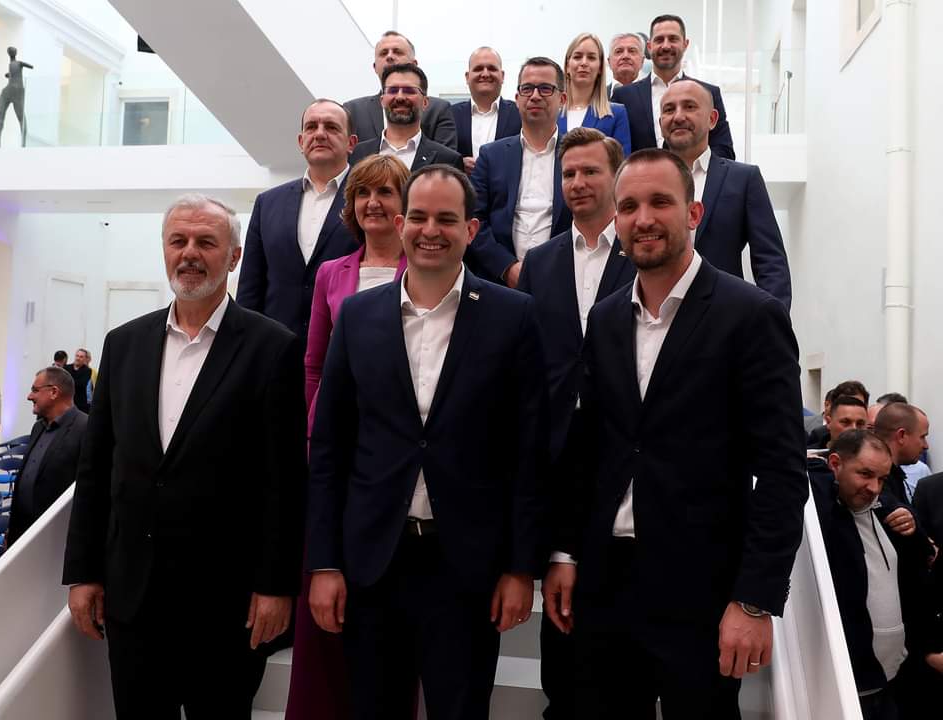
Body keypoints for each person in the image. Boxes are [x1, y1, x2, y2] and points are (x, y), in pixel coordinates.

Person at [544, 149, 806, 718]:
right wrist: (564, 551)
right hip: (606, 585)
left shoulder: (751, 315)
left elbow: (783, 472)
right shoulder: (606, 318)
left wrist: (754, 600)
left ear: (693, 212)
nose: (643, 219)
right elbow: (588, 448)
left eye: (660, 202)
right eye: (629, 206)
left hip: (703, 589)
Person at [306, 165, 549, 719]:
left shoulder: (514, 316)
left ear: (471, 229)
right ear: (400, 223)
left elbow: (528, 452)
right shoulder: (357, 316)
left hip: (467, 566)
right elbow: (330, 450)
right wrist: (323, 563)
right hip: (373, 561)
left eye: (446, 218)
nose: (430, 230)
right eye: (418, 217)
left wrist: (520, 568)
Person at [63, 193, 307, 718]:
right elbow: (96, 467)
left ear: (234, 256)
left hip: (227, 602)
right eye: (179, 241)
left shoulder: (273, 348)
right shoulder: (123, 344)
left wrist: (275, 586)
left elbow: (283, 480)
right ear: (165, 250)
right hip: (133, 596)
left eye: (206, 242)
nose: (190, 253)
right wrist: (83, 573)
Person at [516, 127, 635, 720]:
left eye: (591, 171)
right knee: (563, 649)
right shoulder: (539, 263)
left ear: (616, 177)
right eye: (568, 174)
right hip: (557, 456)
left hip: (625, 453)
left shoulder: (643, 251)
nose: (579, 183)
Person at [288, 154, 410, 720]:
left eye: (386, 192)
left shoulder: (424, 265)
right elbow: (314, 364)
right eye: (363, 193)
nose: (373, 203)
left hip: (400, 449)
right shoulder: (331, 273)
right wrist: (316, 434)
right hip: (337, 448)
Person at [809, 430, 938, 720]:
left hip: (891, 676)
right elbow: (811, 480)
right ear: (834, 464)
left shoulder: (883, 507)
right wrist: (816, 465)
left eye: (881, 478)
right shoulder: (821, 508)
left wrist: (912, 523)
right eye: (865, 474)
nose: (874, 487)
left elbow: (921, 565)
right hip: (847, 681)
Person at [660, 79, 792, 309]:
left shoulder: (743, 179)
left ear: (712, 119)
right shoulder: (642, 181)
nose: (678, 116)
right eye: (669, 109)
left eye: (689, 107)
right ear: (660, 122)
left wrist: (773, 322)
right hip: (656, 318)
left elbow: (770, 262)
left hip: (724, 316)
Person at [237, 99, 360, 342]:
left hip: (344, 345)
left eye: (331, 127)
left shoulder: (368, 202)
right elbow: (251, 286)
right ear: (301, 141)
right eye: (311, 127)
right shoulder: (267, 203)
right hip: (275, 349)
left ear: (351, 143)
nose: (320, 134)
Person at [467, 57, 572, 287]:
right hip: (499, 283)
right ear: (517, 99)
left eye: (545, 88)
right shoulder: (491, 155)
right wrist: (506, 268)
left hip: (563, 280)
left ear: (562, 99)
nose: (535, 96)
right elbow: (474, 219)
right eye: (527, 89)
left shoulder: (576, 155)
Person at [613, 15, 735, 159]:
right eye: (659, 40)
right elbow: (616, 152)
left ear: (685, 44)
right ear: (649, 46)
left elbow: (723, 150)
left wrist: (692, 168)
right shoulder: (623, 96)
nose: (666, 46)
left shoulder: (709, 93)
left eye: (673, 39)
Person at [6, 366, 88, 546]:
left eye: (35, 390)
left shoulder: (85, 429)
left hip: (55, 540)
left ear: (53, 392)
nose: (29, 396)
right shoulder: (38, 427)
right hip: (22, 533)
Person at [344, 31, 456, 149]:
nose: (389, 56)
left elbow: (445, 157)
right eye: (383, 53)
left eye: (397, 52)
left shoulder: (438, 110)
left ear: (414, 64)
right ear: (375, 67)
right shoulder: (353, 111)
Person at [350, 64, 464, 173]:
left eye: (409, 91)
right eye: (392, 90)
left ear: (425, 102)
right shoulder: (356, 154)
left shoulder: (447, 160)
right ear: (382, 101)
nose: (400, 97)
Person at [450, 47, 522, 173]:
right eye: (478, 69)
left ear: (502, 76)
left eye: (492, 68)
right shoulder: (450, 115)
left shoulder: (520, 113)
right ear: (467, 77)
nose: (485, 74)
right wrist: (458, 164)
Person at [558, 33, 631, 153]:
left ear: (600, 68)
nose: (584, 63)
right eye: (577, 57)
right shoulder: (552, 113)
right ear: (567, 66)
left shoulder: (616, 113)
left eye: (591, 58)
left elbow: (622, 161)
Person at [874, 403, 931, 506]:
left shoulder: (895, 476)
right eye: (922, 437)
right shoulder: (878, 480)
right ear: (901, 436)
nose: (926, 446)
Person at [65, 348, 93, 414]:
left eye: (81, 357)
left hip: (80, 404)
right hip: (67, 402)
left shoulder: (87, 371)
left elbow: (81, 384)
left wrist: (68, 381)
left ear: (85, 359)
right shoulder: (66, 368)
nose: (78, 358)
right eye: (77, 356)